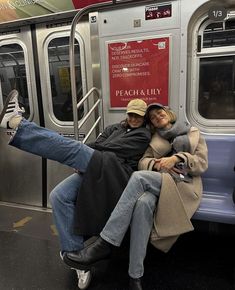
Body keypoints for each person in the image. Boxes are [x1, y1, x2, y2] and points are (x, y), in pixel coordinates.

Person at [0, 90, 151, 290]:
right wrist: (84, 155)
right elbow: (98, 143)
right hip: (98, 165)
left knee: (76, 150)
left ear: (143, 118)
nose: (133, 118)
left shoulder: (143, 135)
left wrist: (83, 153)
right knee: (59, 196)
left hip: (116, 174)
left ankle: (17, 124)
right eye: (131, 114)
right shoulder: (114, 128)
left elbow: (111, 148)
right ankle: (77, 257)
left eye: (138, 116)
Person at [63, 103, 208, 290]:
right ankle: (135, 276)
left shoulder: (192, 132)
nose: (157, 117)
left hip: (184, 186)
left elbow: (202, 164)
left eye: (159, 113)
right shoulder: (154, 138)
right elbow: (143, 162)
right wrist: (157, 164)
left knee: (139, 181)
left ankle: (105, 242)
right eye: (153, 117)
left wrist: (178, 158)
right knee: (142, 202)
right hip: (161, 181)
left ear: (168, 113)